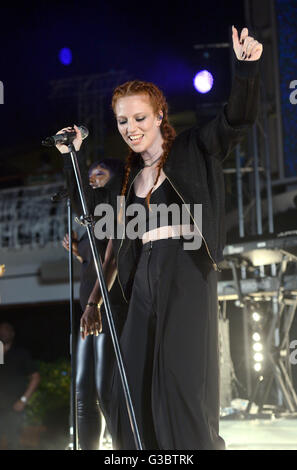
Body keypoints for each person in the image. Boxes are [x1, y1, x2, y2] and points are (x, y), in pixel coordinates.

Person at [57, 26, 263, 450]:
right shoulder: (127, 178)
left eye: (139, 118)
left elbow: (234, 120)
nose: (131, 128)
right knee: (126, 387)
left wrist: (245, 69)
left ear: (158, 116)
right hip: (144, 278)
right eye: (122, 121)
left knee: (179, 383)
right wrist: (73, 155)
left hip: (185, 270)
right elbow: (86, 210)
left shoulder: (192, 149)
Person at [61, 157, 127, 450]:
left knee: (104, 388)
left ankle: (124, 450)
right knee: (81, 390)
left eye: (100, 172)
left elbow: (111, 261)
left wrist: (94, 304)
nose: (93, 177)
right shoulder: (91, 219)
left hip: (105, 307)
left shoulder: (120, 208)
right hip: (89, 308)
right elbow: (93, 262)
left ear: (115, 177)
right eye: (89, 174)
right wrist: (78, 252)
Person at [0, 322, 40, 450]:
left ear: (12, 333)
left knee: (14, 442)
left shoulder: (21, 353)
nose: (3, 333)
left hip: (14, 407)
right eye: (1, 330)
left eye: (6, 330)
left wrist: (23, 400)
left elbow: (35, 377)